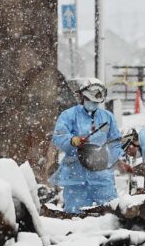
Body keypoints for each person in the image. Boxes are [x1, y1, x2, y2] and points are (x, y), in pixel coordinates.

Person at [50, 78, 122, 214]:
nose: (93, 104)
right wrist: (72, 141)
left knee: (111, 214)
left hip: (102, 176)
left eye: (96, 102)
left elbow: (115, 142)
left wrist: (108, 161)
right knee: (74, 216)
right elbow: (58, 137)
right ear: (82, 96)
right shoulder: (69, 115)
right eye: (91, 101)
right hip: (75, 176)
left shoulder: (108, 117)